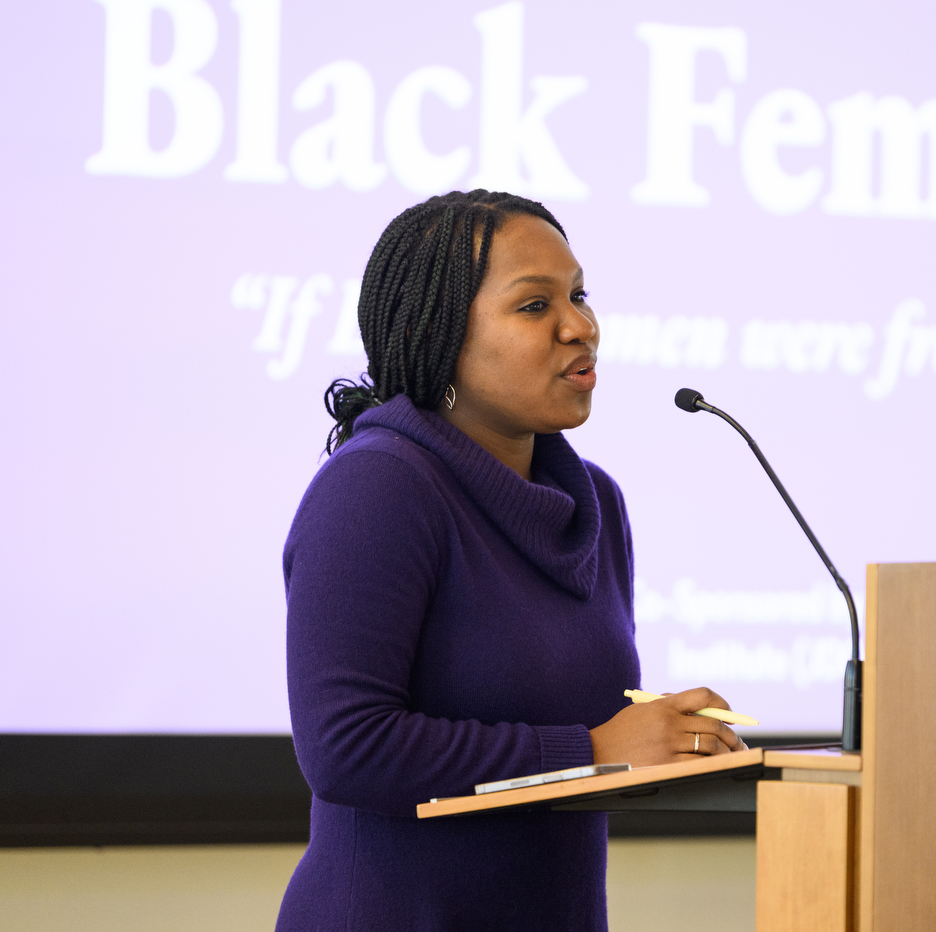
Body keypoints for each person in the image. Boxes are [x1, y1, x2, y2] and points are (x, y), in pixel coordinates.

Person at [276, 189, 745, 931]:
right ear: (440, 332)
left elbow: (557, 721)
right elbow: (346, 748)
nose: (580, 326)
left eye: (581, 296)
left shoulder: (594, 501)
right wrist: (590, 748)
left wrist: (670, 739)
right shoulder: (380, 486)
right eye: (535, 306)